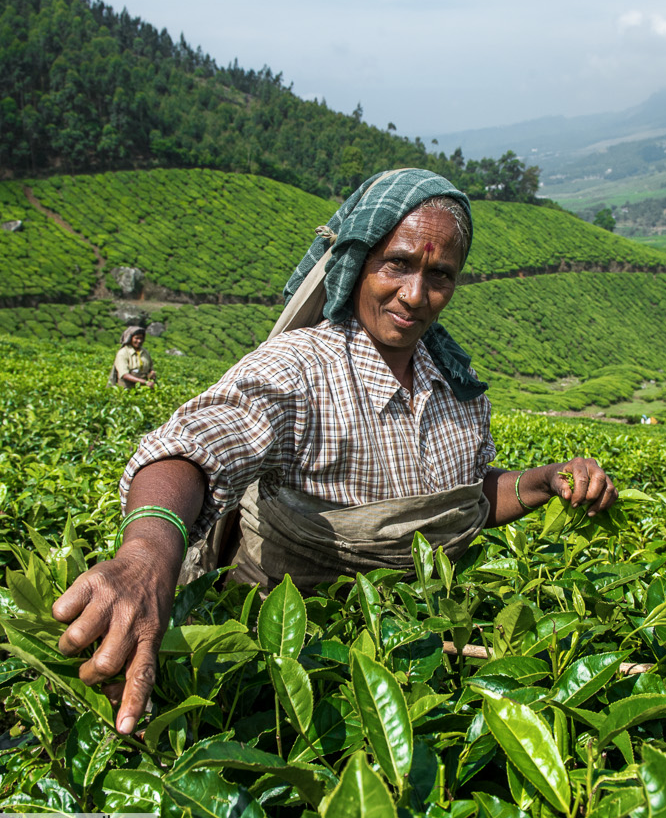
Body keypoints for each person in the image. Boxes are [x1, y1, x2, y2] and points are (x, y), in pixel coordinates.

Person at [55, 169, 619, 734]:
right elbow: (192, 446)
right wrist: (149, 550)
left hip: (410, 665)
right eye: (397, 263)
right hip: (274, 672)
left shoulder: (455, 387)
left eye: (440, 275)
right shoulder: (301, 368)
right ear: (357, 261)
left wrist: (545, 481)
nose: (415, 295)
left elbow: (465, 498)